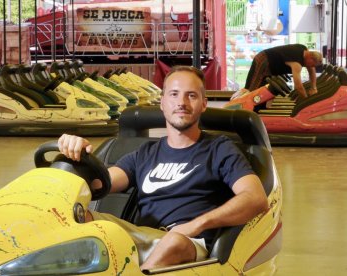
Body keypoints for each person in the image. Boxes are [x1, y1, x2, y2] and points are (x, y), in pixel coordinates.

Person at [58, 66, 268, 270]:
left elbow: (256, 198)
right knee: (78, 217)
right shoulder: (145, 153)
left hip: (189, 242)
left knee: (174, 241)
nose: (181, 102)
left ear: (204, 104)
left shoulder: (219, 149)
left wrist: (196, 225)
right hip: (143, 235)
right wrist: (78, 157)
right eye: (174, 94)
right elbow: (100, 184)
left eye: (191, 95)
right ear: (162, 103)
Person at [243, 44, 323, 99]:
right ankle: (242, 111)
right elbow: (298, 86)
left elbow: (312, 71)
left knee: (262, 91)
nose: (311, 67)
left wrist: (313, 87)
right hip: (263, 60)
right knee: (251, 89)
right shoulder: (296, 64)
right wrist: (306, 100)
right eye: (312, 65)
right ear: (311, 58)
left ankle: (255, 111)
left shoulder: (304, 48)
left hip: (271, 66)